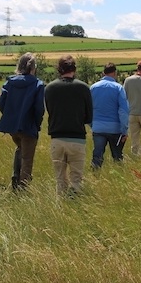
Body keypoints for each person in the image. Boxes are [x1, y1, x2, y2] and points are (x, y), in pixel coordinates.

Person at [44, 55, 93, 196]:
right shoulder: (84, 88)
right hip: (77, 138)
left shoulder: (50, 88)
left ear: (59, 69)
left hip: (57, 138)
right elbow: (89, 117)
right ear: (74, 69)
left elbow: (50, 110)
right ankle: (75, 203)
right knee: (76, 178)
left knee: (60, 179)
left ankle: (61, 207)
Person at [0, 52, 45, 191]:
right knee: (27, 158)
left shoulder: (9, 82)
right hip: (29, 127)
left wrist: (11, 116)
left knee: (20, 149)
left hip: (12, 128)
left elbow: (1, 103)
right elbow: (39, 109)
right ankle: (22, 189)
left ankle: (15, 179)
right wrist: (37, 123)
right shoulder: (38, 84)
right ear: (33, 67)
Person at [90, 62, 129, 169]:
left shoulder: (93, 88)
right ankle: (119, 178)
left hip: (98, 127)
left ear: (103, 73)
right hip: (115, 129)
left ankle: (95, 176)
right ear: (115, 73)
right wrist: (124, 130)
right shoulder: (118, 88)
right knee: (117, 157)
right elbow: (124, 111)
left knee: (97, 156)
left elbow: (88, 109)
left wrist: (92, 125)